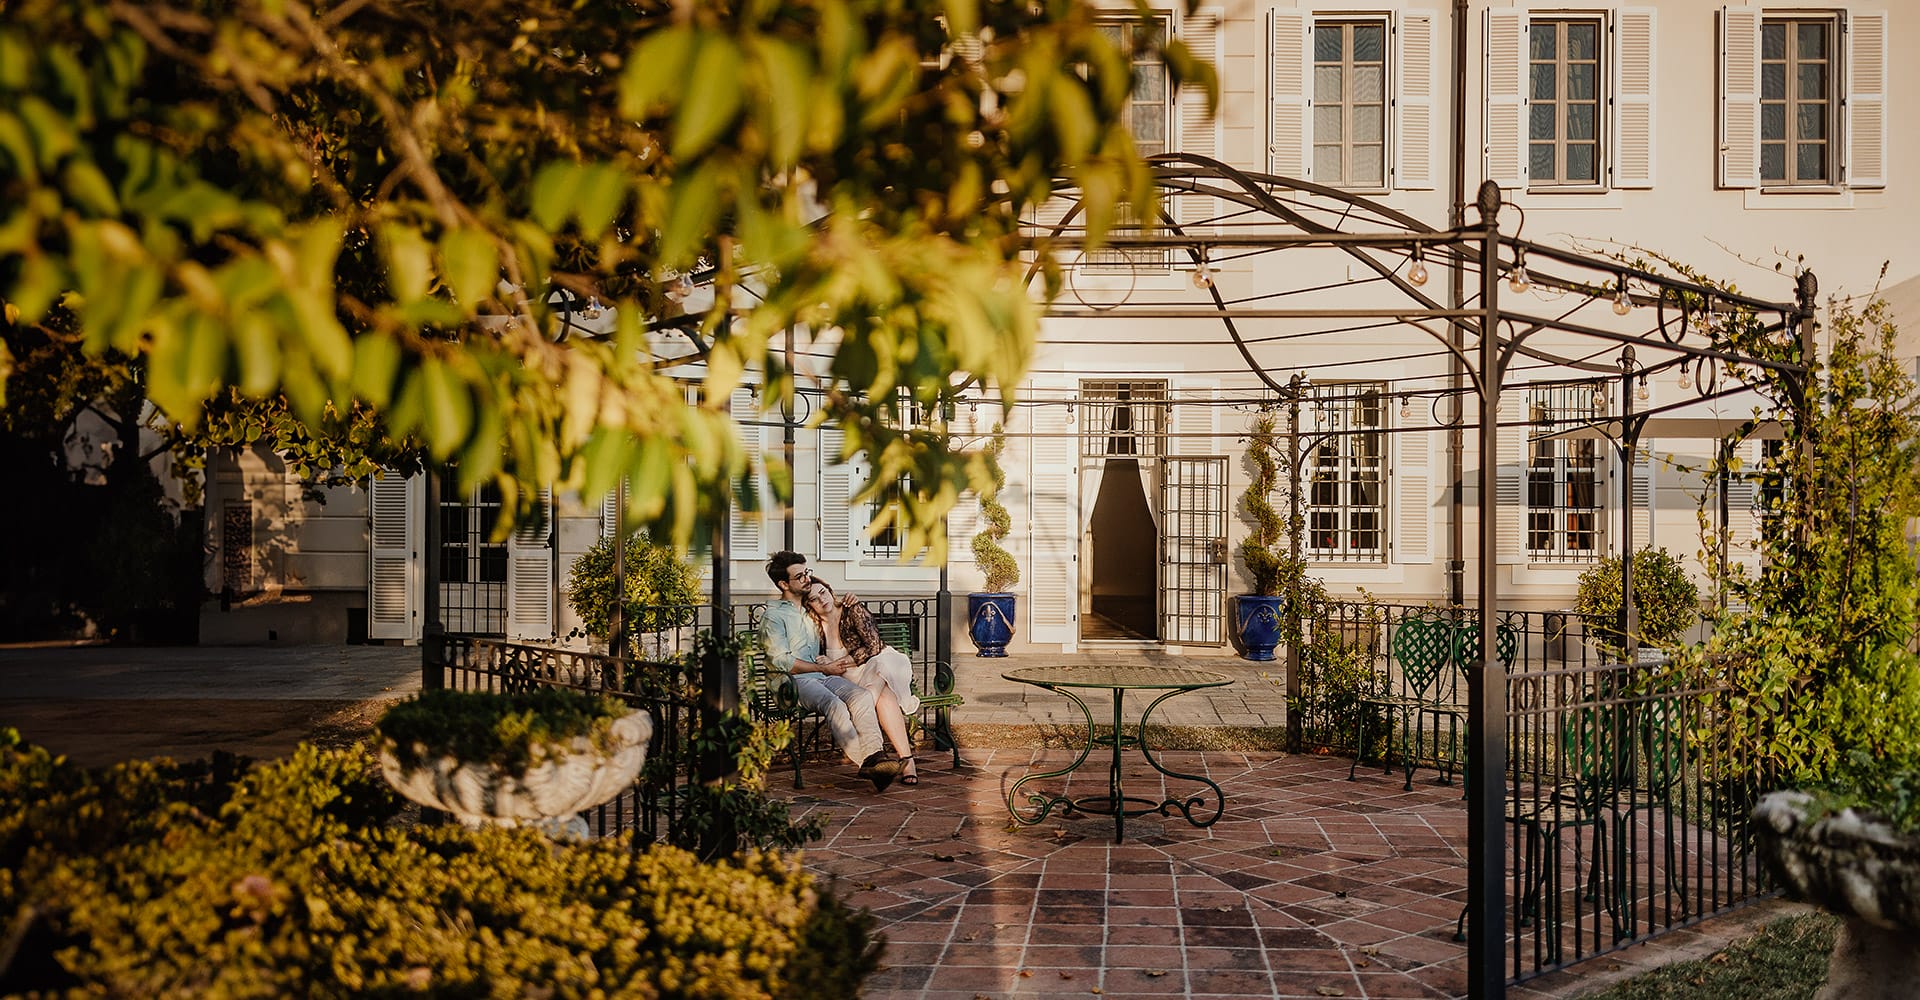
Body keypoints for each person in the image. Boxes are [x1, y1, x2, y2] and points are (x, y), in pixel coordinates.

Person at [759, 551, 901, 790]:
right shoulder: (773, 616)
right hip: (790, 683)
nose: (806, 579)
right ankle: (867, 761)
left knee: (861, 696)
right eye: (799, 576)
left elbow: (834, 616)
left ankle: (877, 757)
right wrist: (823, 668)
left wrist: (850, 603)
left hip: (819, 676)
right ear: (784, 584)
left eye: (807, 573)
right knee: (833, 704)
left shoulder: (808, 611)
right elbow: (782, 662)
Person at [802, 577, 920, 786]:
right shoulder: (815, 627)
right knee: (885, 698)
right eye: (813, 599)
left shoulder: (851, 608)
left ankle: (880, 756)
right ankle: (901, 759)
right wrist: (828, 664)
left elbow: (873, 646)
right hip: (852, 678)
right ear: (809, 605)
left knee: (877, 676)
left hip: (880, 662)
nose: (822, 599)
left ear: (829, 589)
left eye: (823, 592)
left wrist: (839, 662)